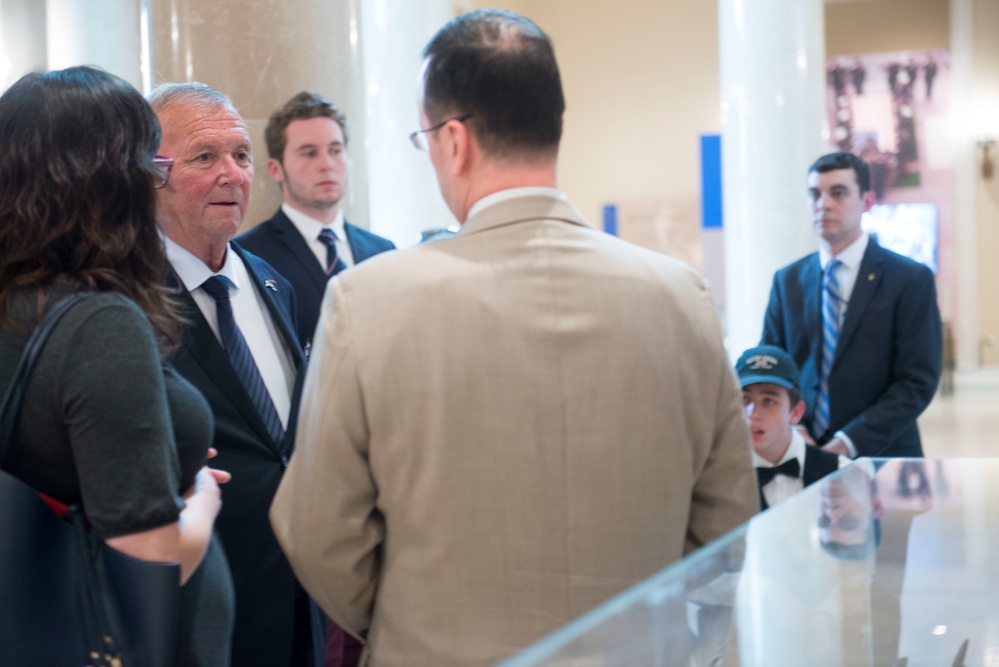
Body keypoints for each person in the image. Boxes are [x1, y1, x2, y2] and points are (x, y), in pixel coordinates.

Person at [270, 9, 758, 667]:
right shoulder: (681, 296)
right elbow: (726, 522)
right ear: (556, 125)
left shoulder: (366, 301)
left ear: (452, 141)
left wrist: (410, 617)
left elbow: (317, 530)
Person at [0, 67, 232, 665]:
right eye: (150, 170)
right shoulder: (100, 326)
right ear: (111, 186)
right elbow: (149, 564)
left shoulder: (19, 301)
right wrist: (200, 494)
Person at [150, 82, 314, 667]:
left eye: (241, 155)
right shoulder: (127, 300)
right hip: (203, 606)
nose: (234, 175)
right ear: (151, 173)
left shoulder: (273, 283)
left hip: (302, 597)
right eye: (205, 157)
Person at [761, 152, 942, 458]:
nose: (824, 204)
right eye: (815, 194)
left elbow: (917, 381)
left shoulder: (909, 279)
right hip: (800, 451)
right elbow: (773, 366)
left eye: (839, 193)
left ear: (867, 201)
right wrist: (796, 430)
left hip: (883, 456)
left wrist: (848, 442)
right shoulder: (787, 280)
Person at [237, 92, 396, 350]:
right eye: (309, 153)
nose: (327, 164)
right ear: (276, 169)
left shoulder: (383, 251)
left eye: (335, 150)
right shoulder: (249, 255)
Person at [736, 344, 848, 511]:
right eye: (745, 399)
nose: (753, 413)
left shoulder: (842, 472)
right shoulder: (717, 476)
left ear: (795, 412)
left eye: (768, 401)